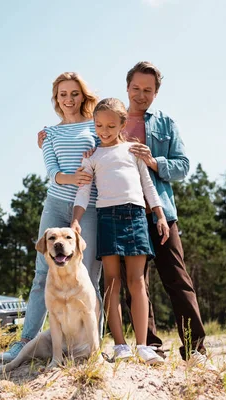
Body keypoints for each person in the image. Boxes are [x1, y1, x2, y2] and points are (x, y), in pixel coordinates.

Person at [1, 72, 103, 362]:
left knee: (90, 279)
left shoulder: (96, 125)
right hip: (56, 204)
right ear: (56, 99)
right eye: (62, 94)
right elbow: (53, 173)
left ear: (82, 95)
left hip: (90, 207)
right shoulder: (49, 133)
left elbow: (105, 154)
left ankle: (94, 349)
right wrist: (75, 177)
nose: (68, 99)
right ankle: (24, 341)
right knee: (41, 274)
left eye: (74, 93)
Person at [120, 61, 213, 368]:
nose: (141, 95)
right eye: (136, 88)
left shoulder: (166, 123)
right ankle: (150, 348)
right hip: (125, 215)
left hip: (161, 213)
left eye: (148, 90)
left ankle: (196, 350)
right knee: (135, 283)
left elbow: (183, 166)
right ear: (127, 87)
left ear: (156, 93)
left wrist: (155, 161)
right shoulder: (111, 119)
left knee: (178, 280)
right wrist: (49, 135)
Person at [70, 98, 169, 364]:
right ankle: (120, 345)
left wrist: (159, 215)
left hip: (136, 216)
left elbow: (149, 186)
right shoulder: (92, 157)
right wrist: (75, 220)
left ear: (122, 124)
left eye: (110, 126)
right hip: (107, 217)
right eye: (99, 125)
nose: (103, 130)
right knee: (111, 281)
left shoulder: (133, 152)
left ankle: (143, 345)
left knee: (137, 282)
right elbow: (83, 191)